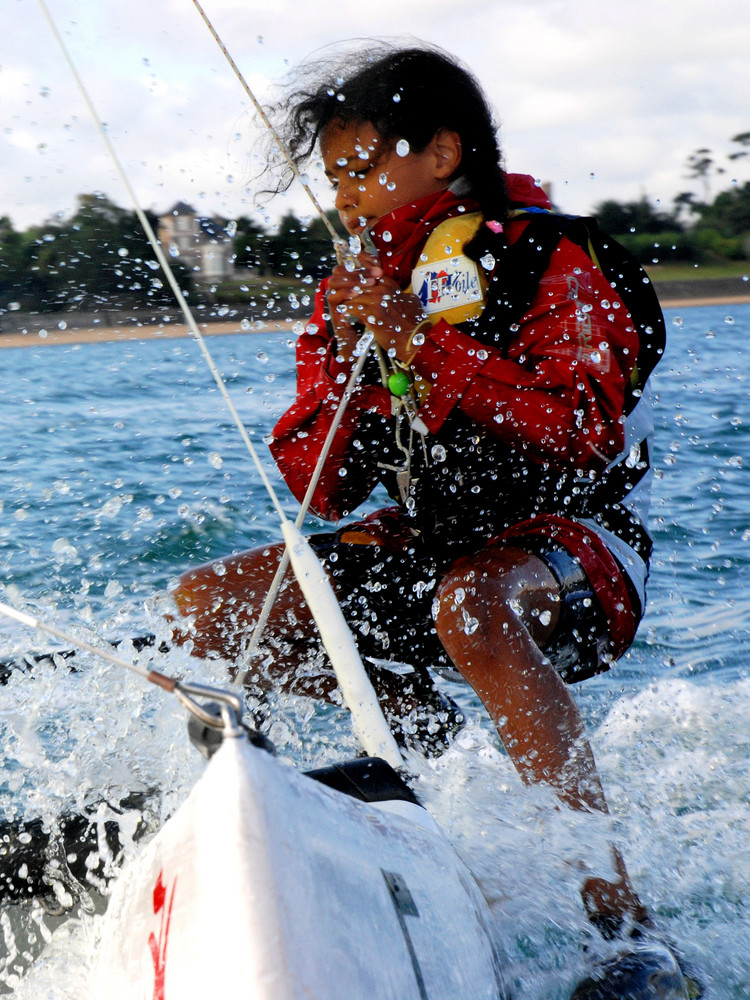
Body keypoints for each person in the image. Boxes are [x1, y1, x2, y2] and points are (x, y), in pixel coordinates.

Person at [171, 43, 661, 943]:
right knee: (206, 611)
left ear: (442, 154)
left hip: (577, 547)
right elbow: (322, 487)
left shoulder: (552, 259)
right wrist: (357, 364)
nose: (345, 196)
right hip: (428, 540)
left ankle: (617, 916)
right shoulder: (352, 290)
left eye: (361, 170)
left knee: (470, 606)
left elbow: (579, 432)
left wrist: (419, 342)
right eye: (333, 178)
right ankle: (424, 762)